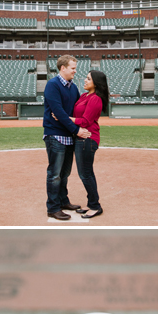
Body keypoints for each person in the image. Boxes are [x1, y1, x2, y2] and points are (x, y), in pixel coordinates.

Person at [54, 70, 108, 218]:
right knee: (85, 173)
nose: (84, 80)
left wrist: (63, 117)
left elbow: (85, 122)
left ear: (96, 83)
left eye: (88, 78)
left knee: (86, 174)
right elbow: (75, 113)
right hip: (80, 138)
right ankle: (91, 203)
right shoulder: (85, 96)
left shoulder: (95, 99)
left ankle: (95, 206)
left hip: (88, 139)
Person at [43, 55, 91, 220]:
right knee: (54, 174)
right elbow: (59, 113)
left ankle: (63, 201)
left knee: (65, 173)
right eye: (72, 68)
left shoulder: (73, 87)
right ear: (63, 68)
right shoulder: (52, 85)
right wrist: (77, 129)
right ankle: (53, 207)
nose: (75, 71)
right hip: (55, 134)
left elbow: (75, 111)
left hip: (68, 135)